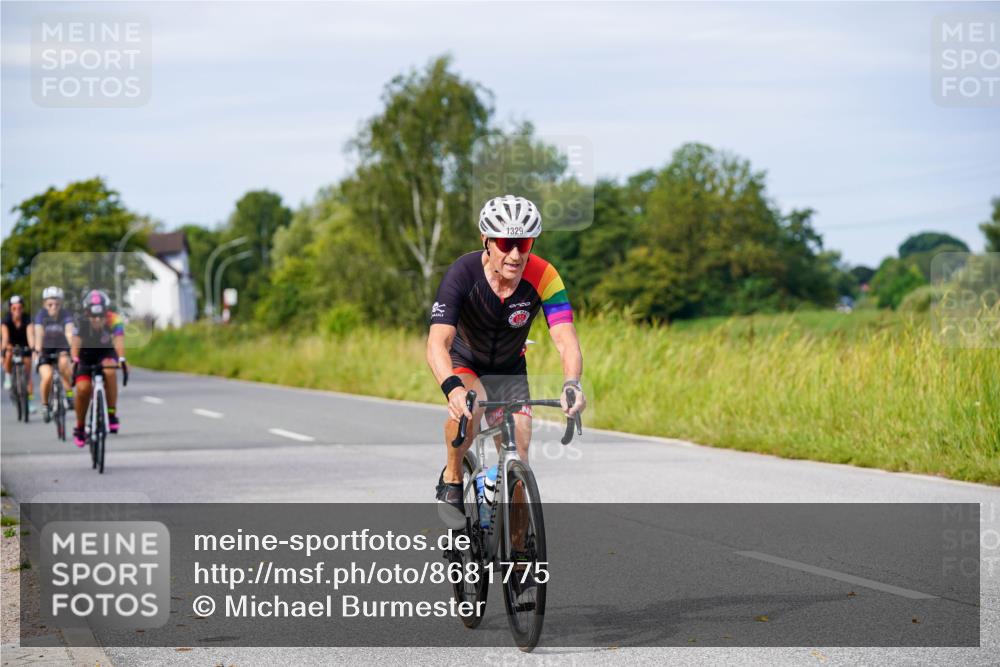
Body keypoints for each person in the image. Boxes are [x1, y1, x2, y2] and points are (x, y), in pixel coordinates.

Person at [427, 195, 585, 528]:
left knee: (519, 455)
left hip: (510, 368)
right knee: (470, 412)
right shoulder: (462, 273)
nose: (515, 254)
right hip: (466, 362)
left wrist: (572, 383)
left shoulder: (544, 276)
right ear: (486, 240)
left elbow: (565, 338)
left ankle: (519, 558)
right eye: (505, 243)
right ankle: (453, 478)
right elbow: (436, 343)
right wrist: (452, 389)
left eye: (524, 243)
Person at [71, 290, 126, 447]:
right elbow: (75, 344)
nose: (97, 319)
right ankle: (80, 427)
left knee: (109, 370)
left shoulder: (114, 319)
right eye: (93, 316)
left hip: (105, 352)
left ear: (106, 312)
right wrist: (74, 358)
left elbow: (119, 341)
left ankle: (111, 413)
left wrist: (121, 358)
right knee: (83, 389)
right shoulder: (80, 321)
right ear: (86, 312)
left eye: (101, 316)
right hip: (86, 355)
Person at [34, 286, 75, 423]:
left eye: (57, 304)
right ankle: (45, 405)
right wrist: (38, 349)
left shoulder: (66, 315)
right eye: (50, 304)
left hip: (61, 348)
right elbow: (39, 331)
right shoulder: (41, 315)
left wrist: (70, 347)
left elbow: (69, 331)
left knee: (64, 366)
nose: (53, 307)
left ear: (61, 304)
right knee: (48, 376)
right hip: (45, 350)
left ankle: (69, 395)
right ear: (44, 304)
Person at [2, 295, 35, 407]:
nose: (17, 311)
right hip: (11, 345)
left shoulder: (27, 319)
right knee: (8, 354)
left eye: (20, 308)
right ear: (10, 309)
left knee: (27, 374)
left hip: (24, 345)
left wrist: (33, 348)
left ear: (23, 308)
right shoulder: (6, 320)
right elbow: (5, 337)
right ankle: (8, 377)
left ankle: (30, 401)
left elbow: (30, 335)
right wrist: (3, 351)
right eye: (14, 308)